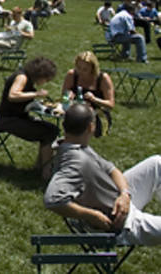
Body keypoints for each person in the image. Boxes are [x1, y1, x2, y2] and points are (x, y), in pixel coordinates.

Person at [44, 103, 161, 246]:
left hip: (118, 201)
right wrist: (91, 215)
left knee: (156, 163)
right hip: (120, 224)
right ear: (90, 128)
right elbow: (52, 200)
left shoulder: (75, 145)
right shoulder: (75, 162)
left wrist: (125, 194)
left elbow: (112, 170)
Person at [0, 56, 60, 179]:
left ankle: (40, 166)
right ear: (40, 74)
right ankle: (46, 172)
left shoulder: (27, 78)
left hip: (19, 117)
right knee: (48, 133)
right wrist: (36, 94)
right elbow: (13, 95)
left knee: (52, 129)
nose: (46, 82)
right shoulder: (22, 77)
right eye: (46, 78)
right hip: (8, 120)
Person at [60, 51, 115, 138]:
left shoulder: (103, 78)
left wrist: (94, 99)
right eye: (78, 68)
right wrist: (68, 95)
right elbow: (63, 97)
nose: (81, 72)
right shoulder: (72, 75)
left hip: (97, 113)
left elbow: (110, 104)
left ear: (93, 68)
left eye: (85, 69)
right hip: (76, 111)